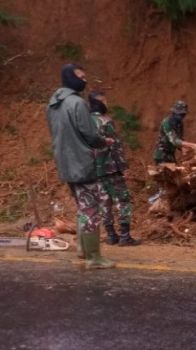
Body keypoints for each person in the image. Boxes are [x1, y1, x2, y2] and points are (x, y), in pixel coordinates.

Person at [46, 64, 115, 269]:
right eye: (81, 76)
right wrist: (104, 142)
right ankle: (94, 257)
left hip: (65, 164)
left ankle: (82, 250)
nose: (84, 80)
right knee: (91, 210)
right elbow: (90, 135)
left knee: (82, 207)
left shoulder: (52, 105)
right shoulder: (78, 103)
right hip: (82, 164)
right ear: (70, 77)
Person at [88, 91, 140, 247]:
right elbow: (115, 147)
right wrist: (124, 168)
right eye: (105, 101)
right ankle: (125, 236)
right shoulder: (106, 121)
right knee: (123, 201)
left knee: (105, 203)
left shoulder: (86, 122)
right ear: (99, 102)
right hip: (111, 169)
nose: (107, 104)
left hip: (95, 171)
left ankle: (111, 235)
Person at [153, 100, 196, 165]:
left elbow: (179, 139)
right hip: (162, 154)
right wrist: (193, 146)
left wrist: (183, 148)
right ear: (174, 112)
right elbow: (174, 140)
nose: (182, 117)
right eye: (180, 114)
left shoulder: (179, 124)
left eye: (183, 115)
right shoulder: (166, 123)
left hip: (171, 154)